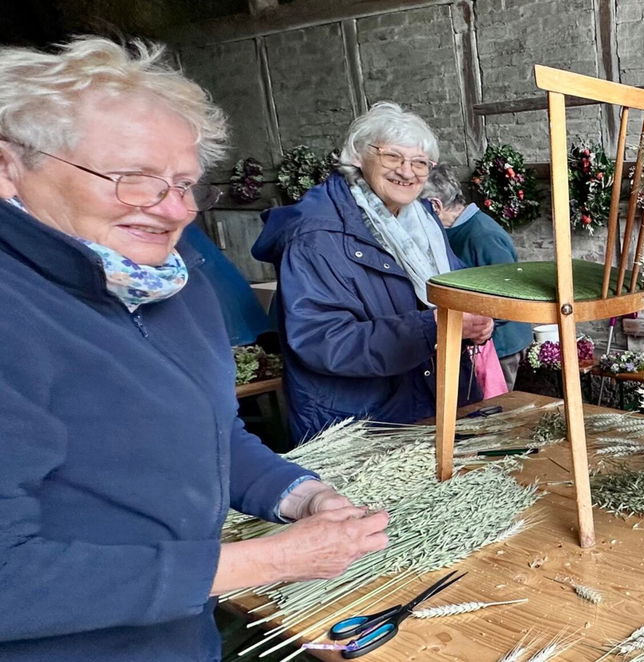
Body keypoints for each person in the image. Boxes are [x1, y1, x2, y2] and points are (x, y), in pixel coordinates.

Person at [0, 38, 386, 659]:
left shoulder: (174, 285)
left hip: (180, 638)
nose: (175, 210)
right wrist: (265, 561)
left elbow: (209, 435)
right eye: (135, 180)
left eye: (185, 183)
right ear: (10, 169)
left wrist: (299, 493)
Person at [254, 102, 492, 441]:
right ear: (356, 156)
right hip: (361, 424)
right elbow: (323, 341)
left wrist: (480, 317)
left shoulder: (422, 220)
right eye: (393, 157)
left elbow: (457, 287)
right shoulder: (317, 235)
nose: (408, 172)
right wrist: (433, 327)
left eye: (420, 162)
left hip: (429, 403)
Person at [422, 165, 534, 386]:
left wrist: (479, 326)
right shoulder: (452, 231)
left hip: (501, 345)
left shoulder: (483, 236)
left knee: (494, 410)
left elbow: (510, 295)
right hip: (481, 340)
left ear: (435, 205)